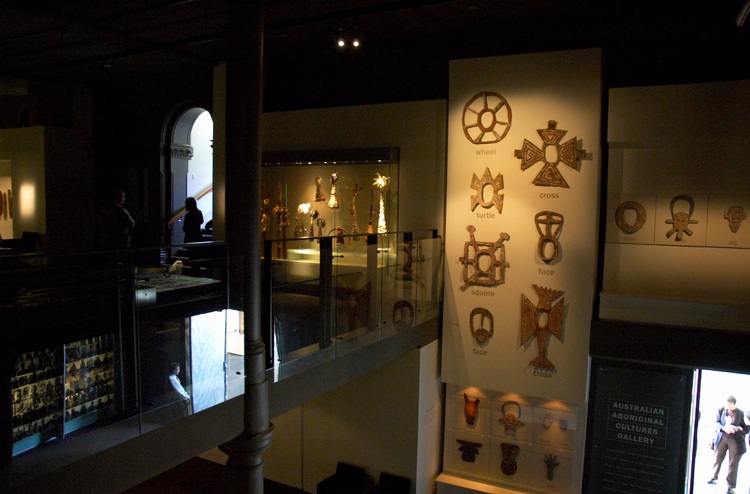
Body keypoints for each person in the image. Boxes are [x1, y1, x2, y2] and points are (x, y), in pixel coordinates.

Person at [708, 396, 749, 493]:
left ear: (733, 404)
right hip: (722, 437)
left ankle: (730, 486)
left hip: (734, 441)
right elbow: (717, 422)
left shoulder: (740, 414)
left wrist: (736, 430)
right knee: (717, 457)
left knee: (733, 463)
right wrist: (723, 428)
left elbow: (746, 429)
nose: (726, 407)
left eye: (728, 405)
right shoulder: (722, 410)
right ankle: (713, 476)